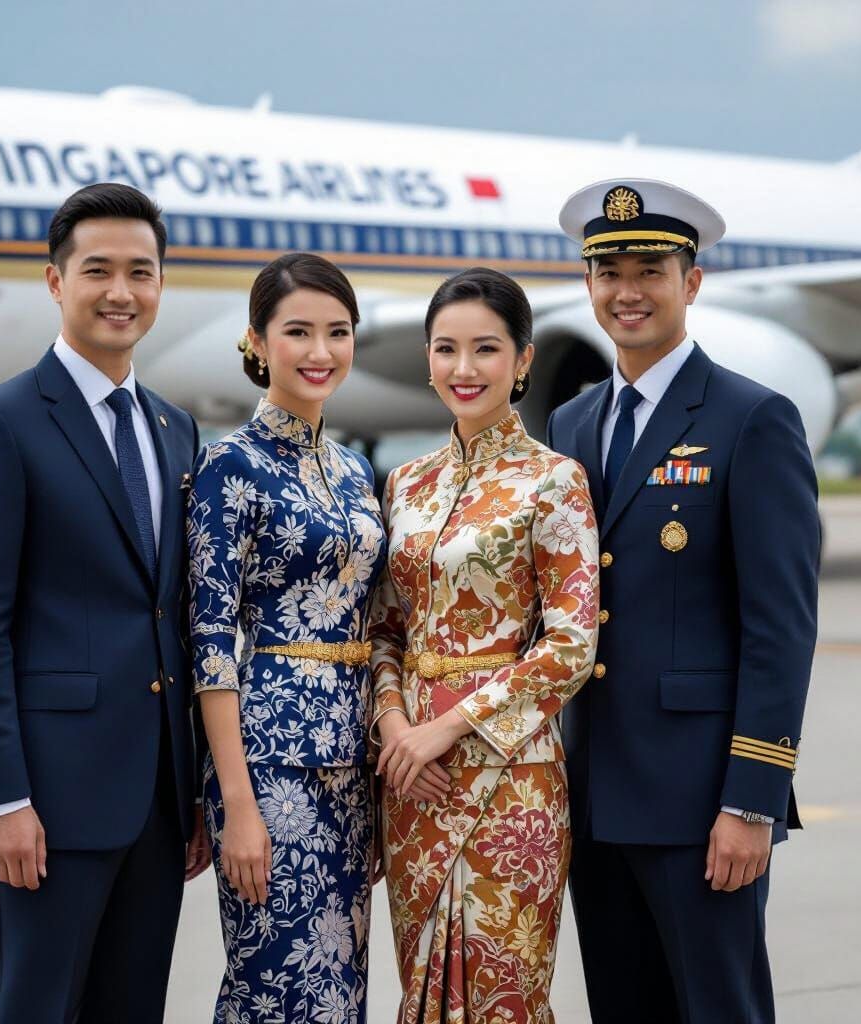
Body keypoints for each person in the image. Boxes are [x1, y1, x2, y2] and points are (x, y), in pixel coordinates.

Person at [0, 182, 210, 1023]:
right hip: (46, 805)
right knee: (36, 1008)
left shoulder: (174, 429)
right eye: (98, 271)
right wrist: (0, 798)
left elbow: (171, 613)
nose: (121, 292)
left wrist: (193, 791)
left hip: (157, 805)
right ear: (56, 282)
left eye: (142, 271)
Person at [549, 179, 820, 1023]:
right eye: (607, 271)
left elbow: (780, 629)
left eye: (650, 269)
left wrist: (751, 801)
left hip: (701, 799)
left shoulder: (751, 419)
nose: (627, 291)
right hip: (594, 796)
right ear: (588, 285)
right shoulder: (570, 423)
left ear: (691, 282)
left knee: (719, 1008)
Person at [370, 267, 600, 1023]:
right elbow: (385, 630)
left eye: (485, 350)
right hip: (413, 784)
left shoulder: (554, 480)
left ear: (523, 360)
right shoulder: (406, 484)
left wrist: (448, 726)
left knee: (502, 992)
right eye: (445, 349)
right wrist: (398, 727)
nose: (463, 370)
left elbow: (571, 643)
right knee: (422, 989)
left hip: (511, 781)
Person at [187, 252, 385, 1023]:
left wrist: (371, 778)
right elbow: (209, 643)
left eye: (338, 332)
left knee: (339, 985)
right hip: (269, 767)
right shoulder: (226, 468)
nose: (319, 351)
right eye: (297, 331)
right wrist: (237, 803)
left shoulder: (353, 471)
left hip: (349, 763)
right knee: (274, 983)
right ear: (257, 341)